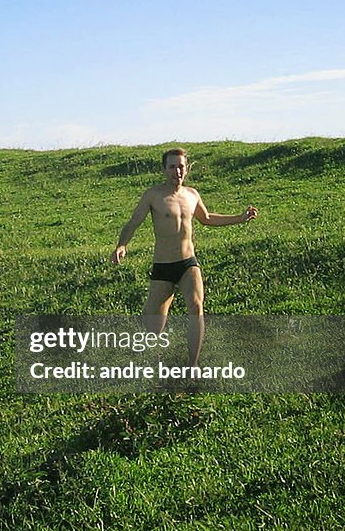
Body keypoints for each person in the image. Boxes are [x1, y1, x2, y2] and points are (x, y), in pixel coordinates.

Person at [110, 148, 257, 367]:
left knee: (196, 307)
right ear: (164, 169)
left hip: (188, 263)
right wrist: (121, 245)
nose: (177, 171)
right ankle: (150, 363)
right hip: (163, 266)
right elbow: (134, 222)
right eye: (172, 167)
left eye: (181, 167)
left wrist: (240, 217)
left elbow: (206, 218)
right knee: (153, 328)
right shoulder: (153, 195)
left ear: (186, 169)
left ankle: (192, 365)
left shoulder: (192, 194)